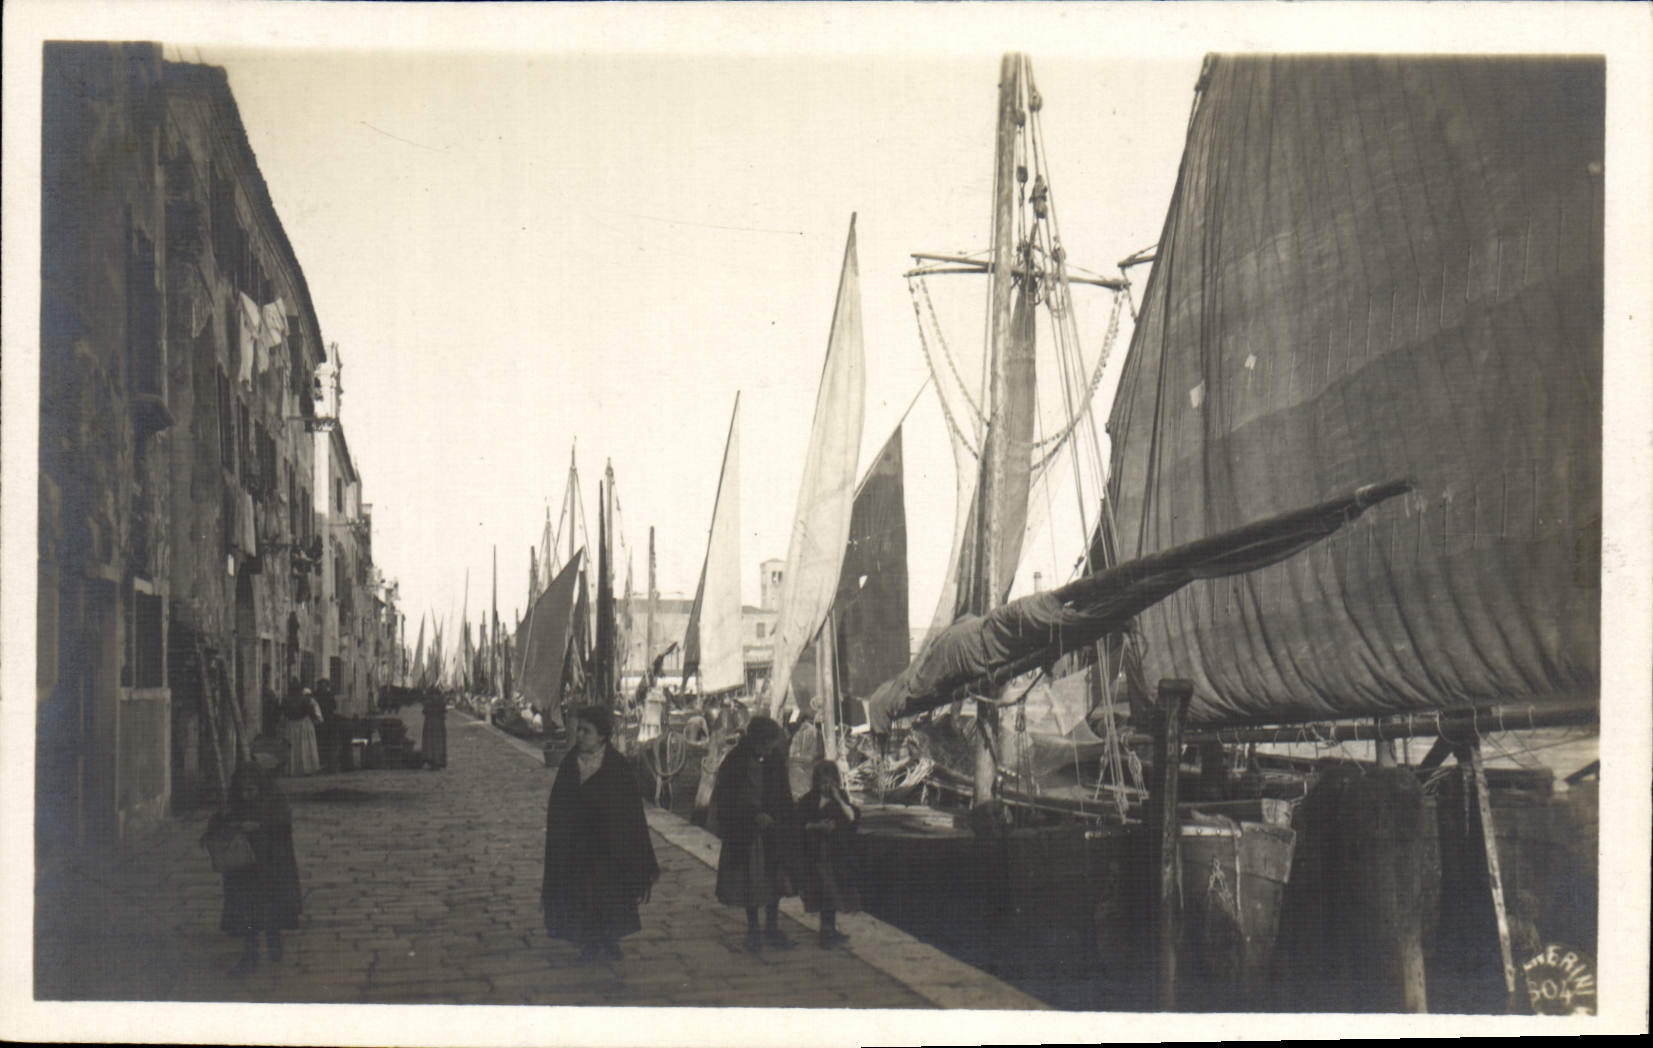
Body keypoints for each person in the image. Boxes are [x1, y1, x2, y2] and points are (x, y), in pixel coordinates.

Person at [541, 706, 660, 963]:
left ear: (602, 736)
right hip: (578, 848)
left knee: (609, 897)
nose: (580, 735)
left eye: (587, 731)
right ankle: (589, 943)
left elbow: (631, 813)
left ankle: (610, 939)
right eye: (579, 730)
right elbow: (558, 806)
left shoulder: (617, 766)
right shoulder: (570, 765)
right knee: (581, 896)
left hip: (610, 849)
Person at [712, 714, 799, 952]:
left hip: (773, 832)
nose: (770, 747)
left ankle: (772, 927)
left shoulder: (775, 759)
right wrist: (752, 815)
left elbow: (784, 794)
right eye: (767, 743)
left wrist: (785, 821)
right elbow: (726, 798)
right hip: (747, 833)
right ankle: (753, 930)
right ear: (757, 740)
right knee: (750, 882)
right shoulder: (735, 761)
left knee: (775, 881)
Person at [205, 762, 302, 975]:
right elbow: (212, 831)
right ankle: (250, 957)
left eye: (252, 790)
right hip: (243, 871)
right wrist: (224, 824)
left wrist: (260, 826)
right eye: (243, 790)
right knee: (247, 915)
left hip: (269, 868)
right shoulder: (233, 803)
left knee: (269, 910)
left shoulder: (275, 799)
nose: (247, 795)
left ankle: (273, 939)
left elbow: (283, 825)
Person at [797, 759, 861, 949]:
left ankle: (830, 929)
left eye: (831, 782)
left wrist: (839, 799)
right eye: (823, 782)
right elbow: (798, 825)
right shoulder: (808, 800)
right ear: (816, 782)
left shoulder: (839, 798)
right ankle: (826, 933)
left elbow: (851, 818)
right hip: (816, 854)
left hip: (835, 853)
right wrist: (817, 826)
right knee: (824, 892)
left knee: (834, 891)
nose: (827, 786)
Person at [282, 685, 322, 776]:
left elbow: (284, 714)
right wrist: (316, 720)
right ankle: (306, 769)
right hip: (304, 724)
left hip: (291, 725)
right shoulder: (308, 701)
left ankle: (294, 769)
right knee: (305, 746)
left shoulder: (286, 700)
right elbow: (314, 714)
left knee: (294, 747)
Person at [421, 689, 448, 769]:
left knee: (430, 741)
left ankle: (431, 759)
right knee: (438, 742)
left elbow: (424, 711)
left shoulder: (428, 701)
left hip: (430, 723)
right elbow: (444, 711)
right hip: (439, 724)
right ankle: (438, 760)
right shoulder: (441, 701)